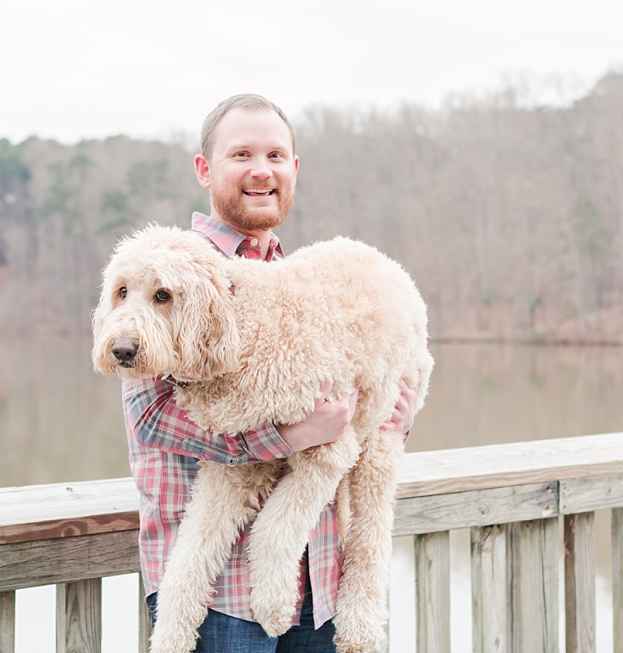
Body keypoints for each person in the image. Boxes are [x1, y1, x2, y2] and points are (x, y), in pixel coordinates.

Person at [122, 93, 416, 653]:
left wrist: (390, 416)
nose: (262, 171)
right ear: (205, 169)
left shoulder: (304, 278)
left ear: (294, 170)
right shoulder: (168, 271)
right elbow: (153, 417)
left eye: (277, 156)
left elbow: (348, 408)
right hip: (218, 598)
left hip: (319, 581)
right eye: (242, 155)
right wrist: (292, 435)